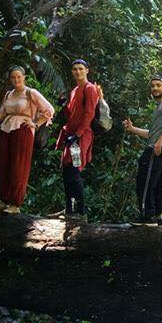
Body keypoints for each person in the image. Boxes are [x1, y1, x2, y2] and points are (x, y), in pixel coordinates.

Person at [0, 66, 55, 213]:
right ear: (10, 79)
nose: (16, 80)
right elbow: (0, 116)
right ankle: (3, 200)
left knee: (19, 164)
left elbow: (49, 109)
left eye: (19, 77)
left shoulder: (30, 93)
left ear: (24, 77)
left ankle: (15, 204)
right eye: (13, 77)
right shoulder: (8, 94)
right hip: (6, 129)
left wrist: (36, 123)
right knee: (3, 163)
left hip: (23, 129)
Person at [123, 75, 162, 225]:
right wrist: (132, 129)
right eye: (153, 86)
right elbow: (152, 134)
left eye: (158, 85)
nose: (155, 88)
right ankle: (158, 217)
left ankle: (147, 217)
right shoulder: (159, 107)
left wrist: (160, 141)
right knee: (157, 183)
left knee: (145, 181)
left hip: (157, 149)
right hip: (158, 147)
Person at [55, 59, 100, 220]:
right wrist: (63, 105)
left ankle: (81, 212)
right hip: (70, 136)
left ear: (87, 70)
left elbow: (89, 114)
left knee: (74, 170)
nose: (78, 72)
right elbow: (71, 115)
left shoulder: (90, 89)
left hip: (79, 137)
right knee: (67, 171)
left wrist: (78, 134)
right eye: (75, 69)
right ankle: (69, 210)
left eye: (81, 68)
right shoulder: (74, 90)